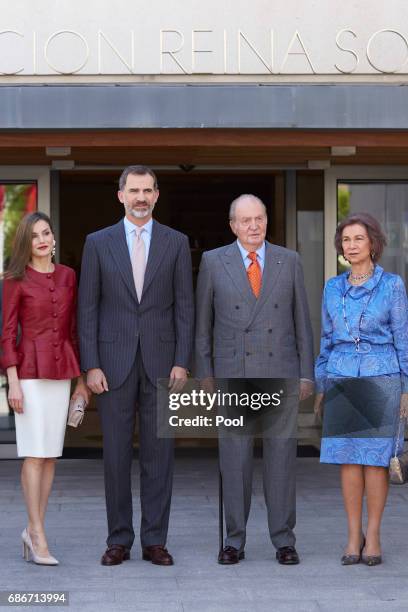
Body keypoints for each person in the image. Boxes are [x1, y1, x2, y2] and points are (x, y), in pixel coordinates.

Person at [78, 165, 194, 567]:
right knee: (115, 457)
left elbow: (185, 307)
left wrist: (182, 360)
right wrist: (90, 364)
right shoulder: (98, 242)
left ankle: (154, 541)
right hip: (112, 365)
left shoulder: (176, 243)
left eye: (148, 190)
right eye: (134, 190)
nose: (141, 197)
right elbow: (88, 308)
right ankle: (119, 540)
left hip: (163, 364)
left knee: (159, 457)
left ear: (157, 195)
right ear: (121, 195)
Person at [195, 194, 314, 565]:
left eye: (258, 218)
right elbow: (203, 324)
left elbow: (302, 322)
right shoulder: (213, 261)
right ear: (233, 225)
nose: (253, 226)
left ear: (266, 221)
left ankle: (284, 540)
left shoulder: (289, 260)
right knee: (235, 461)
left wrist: (306, 373)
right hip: (233, 373)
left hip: (280, 369)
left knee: (281, 461)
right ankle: (233, 540)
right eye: (245, 220)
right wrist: (206, 373)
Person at [314, 212, 408, 566]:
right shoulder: (332, 287)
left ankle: (375, 536)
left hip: (382, 376)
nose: (351, 246)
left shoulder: (392, 285)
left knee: (374, 462)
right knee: (348, 461)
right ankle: (353, 536)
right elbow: (325, 338)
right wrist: (322, 382)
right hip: (340, 376)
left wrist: (406, 389)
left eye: (358, 239)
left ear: (373, 244)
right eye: (346, 240)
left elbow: (404, 339)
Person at [1, 212, 89, 565]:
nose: (42, 239)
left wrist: (82, 381)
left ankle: (34, 527)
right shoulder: (14, 280)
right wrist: (13, 384)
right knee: (33, 454)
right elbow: (6, 334)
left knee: (50, 455)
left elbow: (74, 330)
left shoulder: (69, 276)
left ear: (53, 238)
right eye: (35, 235)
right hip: (29, 374)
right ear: (26, 241)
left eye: (47, 233)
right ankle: (36, 533)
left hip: (61, 372)